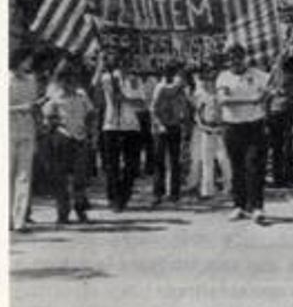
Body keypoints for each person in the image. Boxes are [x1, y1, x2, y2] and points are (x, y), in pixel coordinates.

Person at [216, 44, 271, 224]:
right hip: (232, 127)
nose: (235, 60)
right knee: (237, 168)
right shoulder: (223, 77)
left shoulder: (258, 75)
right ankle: (238, 205)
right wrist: (251, 100)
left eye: (238, 56)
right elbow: (224, 100)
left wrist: (267, 95)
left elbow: (271, 88)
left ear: (244, 57)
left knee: (254, 166)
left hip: (255, 126)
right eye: (231, 57)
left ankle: (257, 207)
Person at [42, 61, 95, 225]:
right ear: (60, 81)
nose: (69, 83)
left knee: (80, 178)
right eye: (65, 79)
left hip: (79, 138)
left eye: (72, 79)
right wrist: (54, 123)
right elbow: (47, 117)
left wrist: (89, 130)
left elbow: (91, 113)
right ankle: (62, 212)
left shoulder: (81, 95)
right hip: (62, 138)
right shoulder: (55, 97)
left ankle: (81, 209)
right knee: (60, 177)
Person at [92, 52, 146, 212]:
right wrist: (100, 65)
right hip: (111, 125)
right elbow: (94, 86)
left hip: (131, 126)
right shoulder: (108, 78)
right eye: (120, 64)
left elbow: (142, 104)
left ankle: (124, 194)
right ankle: (114, 198)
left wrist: (125, 99)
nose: (124, 67)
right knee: (111, 165)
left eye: (127, 64)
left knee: (132, 165)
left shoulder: (135, 81)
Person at [150, 63, 190, 206]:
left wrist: (185, 123)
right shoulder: (160, 88)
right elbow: (153, 109)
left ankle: (174, 193)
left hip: (175, 126)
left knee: (175, 161)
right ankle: (157, 193)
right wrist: (159, 125)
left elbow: (185, 108)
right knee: (159, 161)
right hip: (161, 127)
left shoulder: (180, 90)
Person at [9, 47, 40, 232]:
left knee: (24, 177)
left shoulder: (32, 81)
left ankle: (19, 219)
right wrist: (21, 107)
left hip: (28, 131)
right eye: (26, 59)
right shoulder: (6, 79)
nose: (29, 63)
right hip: (8, 130)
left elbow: (34, 104)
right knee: (7, 175)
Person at [190, 67, 231, 198]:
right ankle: (207, 190)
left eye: (213, 79)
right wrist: (203, 127)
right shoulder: (202, 95)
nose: (210, 82)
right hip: (206, 130)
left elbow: (227, 111)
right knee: (207, 161)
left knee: (224, 160)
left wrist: (223, 127)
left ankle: (230, 187)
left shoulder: (222, 94)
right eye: (208, 79)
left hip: (220, 130)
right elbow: (198, 114)